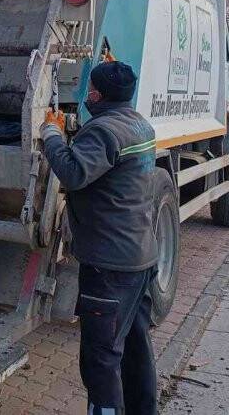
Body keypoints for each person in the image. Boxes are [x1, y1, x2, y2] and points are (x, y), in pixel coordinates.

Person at [41, 60, 159, 415]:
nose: (87, 94)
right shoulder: (140, 124)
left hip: (109, 266)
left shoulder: (104, 132)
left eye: (90, 89)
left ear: (97, 93)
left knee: (101, 360)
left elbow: (74, 173)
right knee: (136, 348)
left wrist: (51, 134)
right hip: (140, 257)